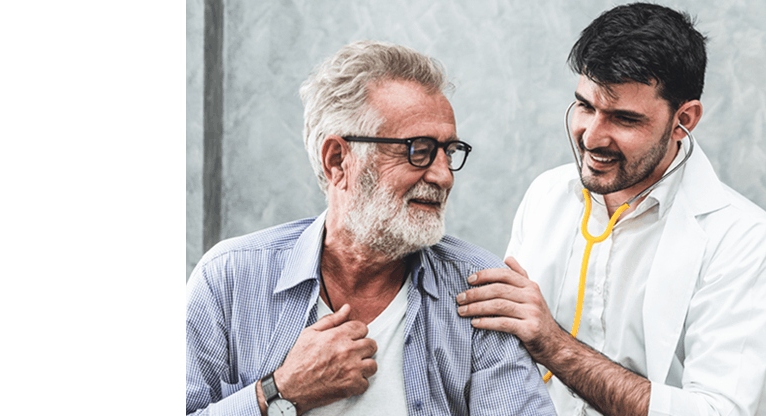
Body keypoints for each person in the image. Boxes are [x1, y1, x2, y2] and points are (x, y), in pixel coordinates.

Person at [186, 40, 554, 415]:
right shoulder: (229, 278)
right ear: (337, 160)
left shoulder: (478, 292)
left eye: (450, 151)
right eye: (418, 149)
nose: (444, 176)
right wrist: (281, 391)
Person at [456, 3, 766, 416]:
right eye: (585, 106)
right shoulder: (547, 194)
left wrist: (553, 344)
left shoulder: (744, 240)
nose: (593, 137)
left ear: (683, 120)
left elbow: (719, 411)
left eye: (624, 118)